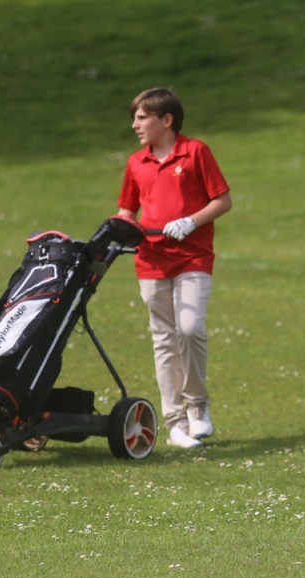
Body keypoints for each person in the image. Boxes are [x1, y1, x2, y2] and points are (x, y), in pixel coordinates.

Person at [116, 88, 232, 449]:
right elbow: (126, 210)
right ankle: (175, 423)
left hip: (193, 256)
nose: (135, 125)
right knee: (164, 340)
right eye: (135, 118)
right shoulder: (136, 162)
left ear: (166, 120)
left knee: (190, 327)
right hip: (150, 260)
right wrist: (121, 230)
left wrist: (190, 221)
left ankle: (197, 406)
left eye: (141, 117)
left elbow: (222, 200)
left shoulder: (196, 152)